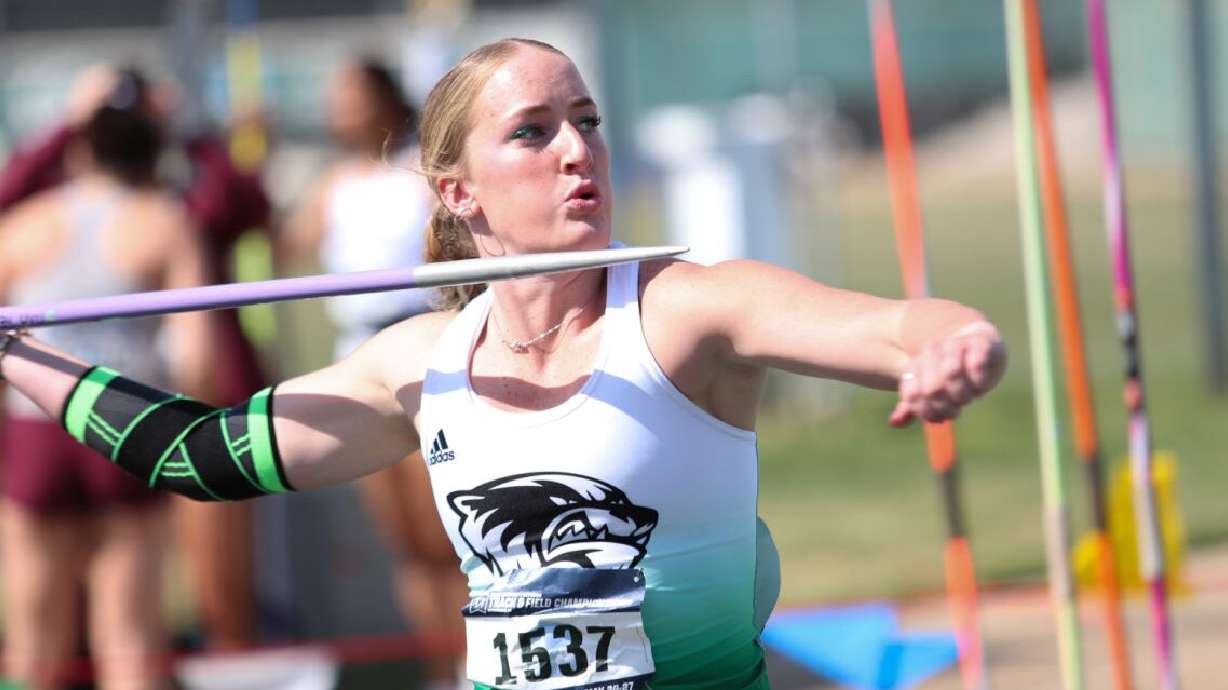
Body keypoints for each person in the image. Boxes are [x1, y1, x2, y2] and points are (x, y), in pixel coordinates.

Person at [0, 38, 1007, 690]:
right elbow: (195, 455)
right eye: (534, 132)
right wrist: (16, 354)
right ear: (460, 193)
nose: (578, 150)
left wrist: (952, 345)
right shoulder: (416, 361)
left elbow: (901, 326)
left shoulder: (687, 307)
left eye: (587, 122)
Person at [0, 64, 269, 650]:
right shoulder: (167, 223)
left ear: (75, 151)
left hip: (33, 429)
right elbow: (197, 358)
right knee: (130, 631)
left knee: (32, 637)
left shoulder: (20, 226)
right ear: (154, 151)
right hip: (124, 422)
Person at [280, 58, 467, 690]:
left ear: (384, 99)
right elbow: (278, 244)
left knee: (446, 534)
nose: (338, 107)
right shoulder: (334, 183)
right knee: (408, 545)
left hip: (418, 349)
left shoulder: (419, 173)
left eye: (350, 93)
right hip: (361, 359)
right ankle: (441, 670)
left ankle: (475, 661)